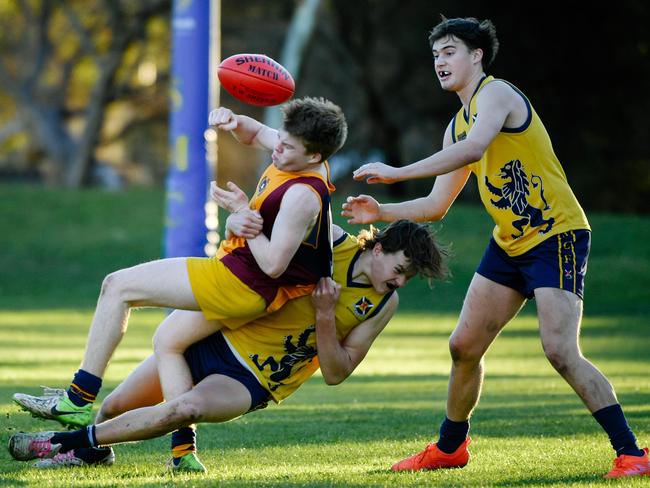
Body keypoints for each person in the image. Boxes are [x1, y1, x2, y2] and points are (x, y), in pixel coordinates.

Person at [341, 16, 649, 480]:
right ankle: (450, 448)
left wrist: (397, 171)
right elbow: (435, 205)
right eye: (435, 55)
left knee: (559, 349)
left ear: (476, 55)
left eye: (449, 52)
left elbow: (473, 150)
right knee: (464, 345)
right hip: (509, 243)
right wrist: (380, 212)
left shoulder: (497, 95)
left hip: (556, 235)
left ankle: (632, 454)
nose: (440, 62)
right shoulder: (455, 125)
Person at [12, 96, 348, 445]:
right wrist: (233, 120)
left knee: (117, 287)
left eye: (287, 146)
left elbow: (274, 265)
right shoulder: (293, 153)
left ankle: (77, 399)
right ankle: (183, 449)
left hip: (238, 284)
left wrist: (242, 211)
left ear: (314, 157)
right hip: (241, 281)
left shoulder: (302, 197)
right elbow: (255, 132)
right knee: (169, 342)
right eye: (280, 137)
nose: (276, 147)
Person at [8, 219, 449, 472]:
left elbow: (337, 372)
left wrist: (325, 316)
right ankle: (93, 449)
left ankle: (60, 441)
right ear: (380, 248)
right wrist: (240, 218)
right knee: (113, 408)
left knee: (184, 410)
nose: (401, 280)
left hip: (251, 379)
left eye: (409, 276)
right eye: (401, 268)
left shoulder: (384, 303)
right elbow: (272, 219)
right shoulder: (331, 243)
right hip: (214, 336)